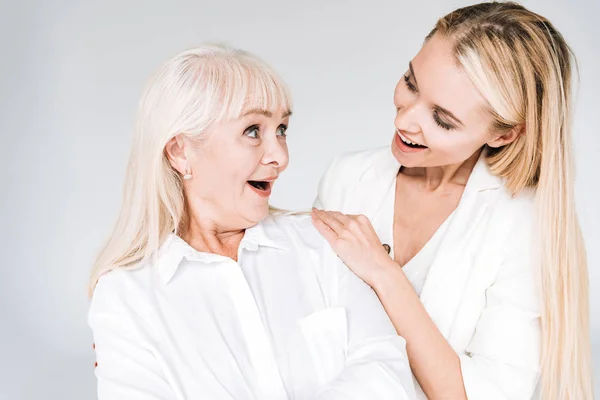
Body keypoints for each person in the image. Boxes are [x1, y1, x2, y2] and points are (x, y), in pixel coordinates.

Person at [87, 45, 416, 400]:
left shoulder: (324, 243)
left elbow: (386, 376)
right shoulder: (126, 295)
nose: (280, 156)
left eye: (282, 130)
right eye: (253, 131)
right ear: (180, 151)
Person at [312, 2, 592, 399]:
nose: (404, 121)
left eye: (442, 119)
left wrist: (385, 274)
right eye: (410, 83)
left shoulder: (524, 225)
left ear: (504, 134)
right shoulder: (347, 177)